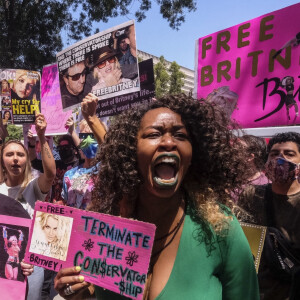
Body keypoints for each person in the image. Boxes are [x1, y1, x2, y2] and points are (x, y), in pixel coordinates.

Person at [54, 94, 259, 299]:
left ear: (195, 153)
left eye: (180, 135)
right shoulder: (105, 226)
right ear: (129, 151)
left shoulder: (219, 227)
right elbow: (92, 291)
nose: (169, 142)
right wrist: (78, 293)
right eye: (154, 134)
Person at [237, 132, 300, 300]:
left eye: (289, 154)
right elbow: (246, 247)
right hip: (262, 290)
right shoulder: (252, 196)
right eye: (274, 154)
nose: (280, 159)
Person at [29, 132, 83, 204]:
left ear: (75, 150)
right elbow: (35, 163)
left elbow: (82, 150)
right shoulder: (55, 165)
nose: (63, 150)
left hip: (71, 207)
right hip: (52, 207)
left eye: (66, 147)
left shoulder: (80, 165)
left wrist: (72, 131)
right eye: (60, 148)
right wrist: (32, 145)